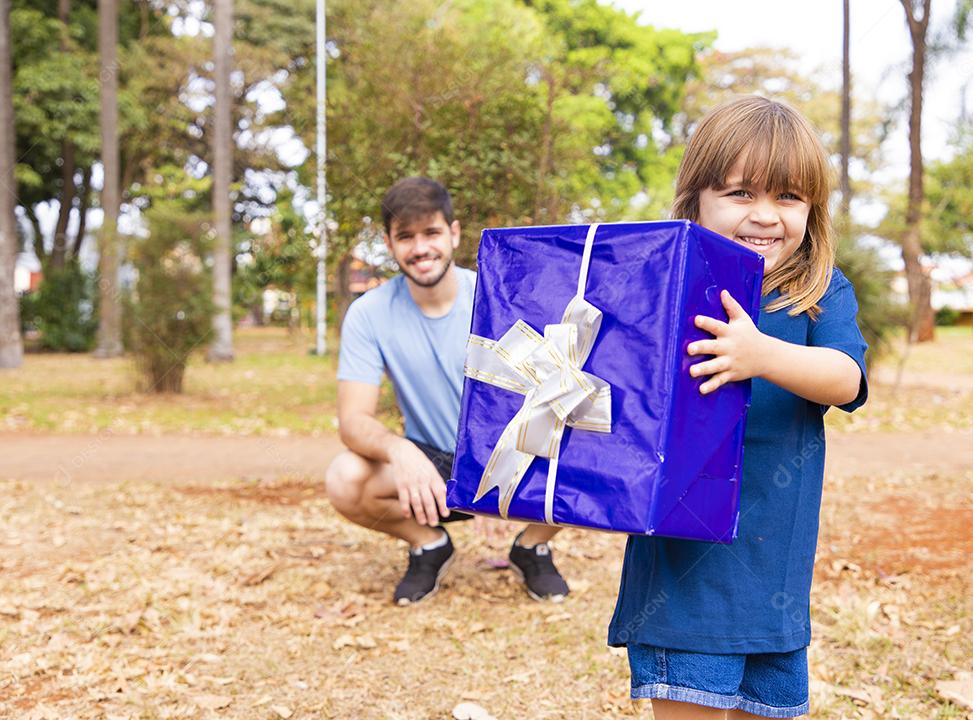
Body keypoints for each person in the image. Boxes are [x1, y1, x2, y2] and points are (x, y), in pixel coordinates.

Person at [607, 96, 869, 719]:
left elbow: (845, 377)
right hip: (682, 577)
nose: (765, 215)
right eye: (740, 192)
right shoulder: (666, 285)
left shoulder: (818, 291)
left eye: (788, 197)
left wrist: (760, 354)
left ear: (813, 208)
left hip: (774, 576)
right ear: (696, 198)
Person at [324, 177, 571, 606]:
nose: (420, 248)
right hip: (431, 469)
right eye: (406, 236)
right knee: (344, 478)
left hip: (509, 450)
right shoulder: (368, 313)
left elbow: (550, 391)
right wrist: (401, 451)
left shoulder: (494, 295)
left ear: (453, 234)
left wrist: (499, 468)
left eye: (432, 232)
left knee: (583, 449)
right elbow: (353, 421)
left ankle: (532, 545)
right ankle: (429, 544)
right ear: (389, 244)